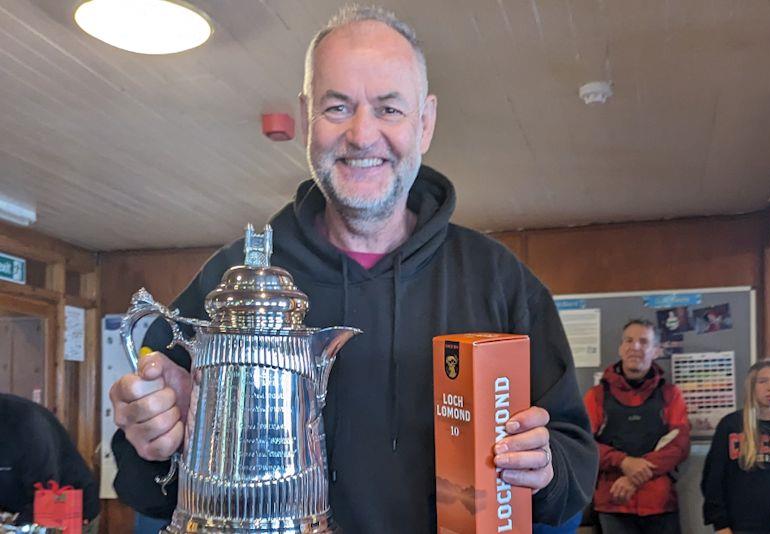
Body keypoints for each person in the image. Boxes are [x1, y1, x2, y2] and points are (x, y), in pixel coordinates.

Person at [109, 5, 597, 532]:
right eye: (338, 107)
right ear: (306, 119)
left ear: (426, 122)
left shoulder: (499, 281)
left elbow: (573, 470)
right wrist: (152, 437)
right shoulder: (230, 280)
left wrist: (543, 467)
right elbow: (145, 488)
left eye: (389, 109)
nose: (363, 135)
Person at [583, 319, 690, 533]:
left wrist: (634, 476)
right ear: (621, 348)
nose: (635, 347)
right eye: (629, 341)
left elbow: (679, 445)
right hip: (613, 503)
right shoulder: (597, 396)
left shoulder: (671, 394)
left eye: (644, 342)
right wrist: (623, 462)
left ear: (657, 350)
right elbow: (584, 443)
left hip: (660, 504)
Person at [702, 358, 770, 534]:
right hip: (741, 525)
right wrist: (720, 524)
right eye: (763, 381)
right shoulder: (731, 425)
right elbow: (713, 480)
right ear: (751, 386)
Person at [0, 393, 100, 529]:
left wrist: (15, 525)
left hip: (66, 510)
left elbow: (46, 487)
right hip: (17, 510)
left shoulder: (25, 421)